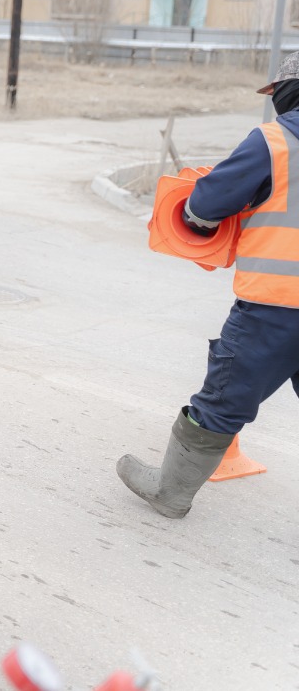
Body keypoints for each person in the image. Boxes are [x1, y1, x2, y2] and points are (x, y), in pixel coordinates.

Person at [117, 53, 299, 518]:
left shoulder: (274, 141)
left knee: (223, 400)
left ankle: (170, 492)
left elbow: (207, 203)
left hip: (274, 308)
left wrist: (199, 219)